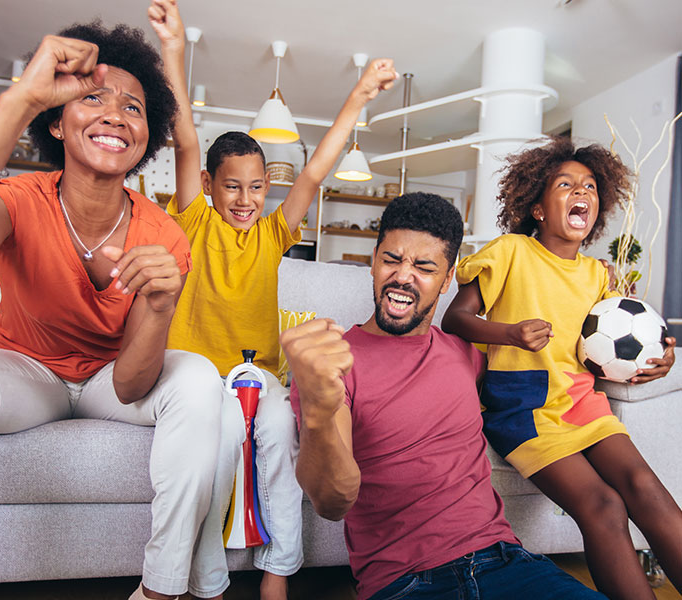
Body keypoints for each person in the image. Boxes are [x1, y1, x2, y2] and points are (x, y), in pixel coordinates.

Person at [0, 19, 225, 600]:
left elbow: (133, 382)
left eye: (134, 107)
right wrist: (20, 98)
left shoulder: (163, 233)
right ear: (57, 122)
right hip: (28, 374)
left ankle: (162, 589)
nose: (116, 114)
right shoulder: (18, 201)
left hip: (108, 381)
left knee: (197, 376)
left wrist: (161, 303)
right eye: (93, 97)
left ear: (149, 135)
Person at [147, 1, 398, 598]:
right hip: (199, 377)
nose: (244, 199)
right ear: (208, 186)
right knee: (212, 460)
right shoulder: (193, 221)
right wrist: (175, 50)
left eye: (256, 188)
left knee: (284, 444)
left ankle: (279, 572)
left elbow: (315, 173)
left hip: (261, 374)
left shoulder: (273, 232)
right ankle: (206, 580)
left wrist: (360, 96)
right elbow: (185, 138)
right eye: (231, 186)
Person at [281, 192, 608, 600]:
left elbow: (556, 364)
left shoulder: (466, 353)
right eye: (391, 260)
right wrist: (318, 409)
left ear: (447, 278)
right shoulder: (332, 366)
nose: (403, 276)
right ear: (373, 261)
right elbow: (332, 502)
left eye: (423, 266)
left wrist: (644, 363)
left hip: (506, 562)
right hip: (406, 583)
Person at [441, 136, 680, 600]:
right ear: (538, 209)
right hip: (523, 408)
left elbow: (615, 352)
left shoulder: (600, 276)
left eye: (590, 187)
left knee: (646, 488)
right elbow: (455, 319)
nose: (581, 193)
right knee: (603, 505)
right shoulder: (511, 251)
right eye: (566, 184)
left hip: (583, 402)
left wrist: (658, 361)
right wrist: (508, 333)